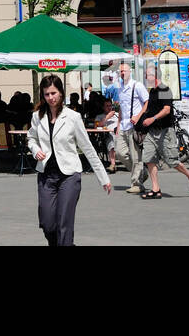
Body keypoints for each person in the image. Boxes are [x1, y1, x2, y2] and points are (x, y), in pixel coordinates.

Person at [28, 74, 111, 245]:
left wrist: (103, 177)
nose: (51, 98)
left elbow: (88, 148)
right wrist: (35, 150)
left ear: (61, 93)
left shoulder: (73, 117)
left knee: (64, 223)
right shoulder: (38, 116)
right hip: (46, 176)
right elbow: (31, 138)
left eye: (53, 93)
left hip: (69, 176)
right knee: (48, 224)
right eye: (46, 94)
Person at [134, 67, 189, 199]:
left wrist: (152, 118)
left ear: (155, 76)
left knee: (172, 161)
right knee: (149, 159)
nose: (146, 78)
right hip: (152, 132)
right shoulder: (152, 91)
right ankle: (155, 189)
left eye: (148, 76)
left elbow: (167, 110)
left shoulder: (164, 89)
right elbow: (147, 107)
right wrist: (138, 116)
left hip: (165, 131)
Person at [116, 61, 148, 194]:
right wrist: (118, 125)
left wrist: (138, 116)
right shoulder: (120, 87)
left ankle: (137, 183)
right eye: (121, 71)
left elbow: (147, 102)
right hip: (123, 125)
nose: (123, 73)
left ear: (130, 72)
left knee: (136, 156)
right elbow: (121, 108)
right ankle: (142, 173)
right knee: (120, 152)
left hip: (134, 126)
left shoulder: (137, 86)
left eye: (125, 71)